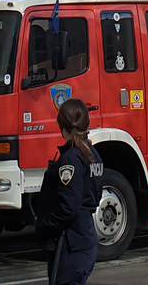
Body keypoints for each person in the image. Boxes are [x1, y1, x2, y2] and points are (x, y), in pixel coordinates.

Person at [34, 98, 104, 285]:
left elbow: (68, 207)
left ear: (62, 127)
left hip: (69, 243)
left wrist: (44, 224)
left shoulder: (71, 159)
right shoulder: (93, 154)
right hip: (84, 238)